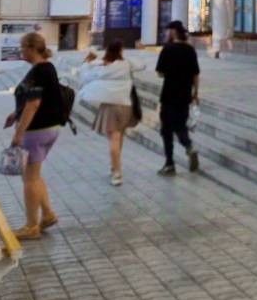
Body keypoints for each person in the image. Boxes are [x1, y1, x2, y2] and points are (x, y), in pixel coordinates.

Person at [5, 31, 64, 239]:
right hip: (49, 128)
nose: (20, 51)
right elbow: (39, 99)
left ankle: (31, 226)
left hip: (36, 131)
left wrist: (19, 133)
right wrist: (16, 114)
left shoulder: (39, 71)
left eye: (22, 47)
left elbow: (34, 103)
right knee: (34, 176)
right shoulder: (47, 68)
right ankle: (47, 214)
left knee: (29, 179)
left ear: (32, 48)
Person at [77, 40, 144, 186]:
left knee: (114, 139)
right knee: (119, 137)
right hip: (126, 105)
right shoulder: (126, 64)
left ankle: (117, 172)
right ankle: (115, 166)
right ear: (121, 51)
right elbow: (141, 65)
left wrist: (88, 62)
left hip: (110, 106)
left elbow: (84, 76)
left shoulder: (102, 67)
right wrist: (124, 59)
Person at [155, 21, 200, 176]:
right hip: (185, 94)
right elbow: (196, 74)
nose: (166, 34)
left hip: (169, 94)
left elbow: (160, 73)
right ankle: (189, 146)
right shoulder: (190, 50)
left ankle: (169, 164)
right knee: (180, 125)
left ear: (173, 32)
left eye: (168, 31)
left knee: (166, 129)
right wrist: (195, 93)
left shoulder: (167, 49)